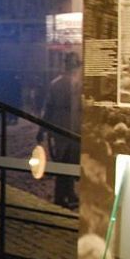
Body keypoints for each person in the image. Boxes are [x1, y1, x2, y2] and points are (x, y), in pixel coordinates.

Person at [37, 51, 82, 208]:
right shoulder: (78, 84)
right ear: (76, 67)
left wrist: (42, 129)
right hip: (73, 127)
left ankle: (68, 193)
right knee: (68, 162)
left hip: (58, 127)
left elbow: (48, 108)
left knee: (64, 160)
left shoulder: (55, 83)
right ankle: (60, 197)